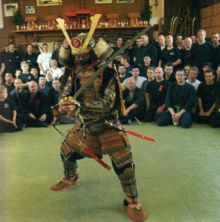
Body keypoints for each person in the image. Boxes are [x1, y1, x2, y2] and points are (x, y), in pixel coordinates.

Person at [50, 30, 147, 222]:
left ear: (93, 53)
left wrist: (80, 104)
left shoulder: (107, 73)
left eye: (84, 55)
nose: (81, 59)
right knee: (66, 151)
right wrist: (64, 104)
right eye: (77, 56)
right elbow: (65, 94)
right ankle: (71, 178)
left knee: (125, 165)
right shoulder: (72, 73)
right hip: (84, 125)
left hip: (107, 124)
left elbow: (108, 104)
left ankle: (133, 200)